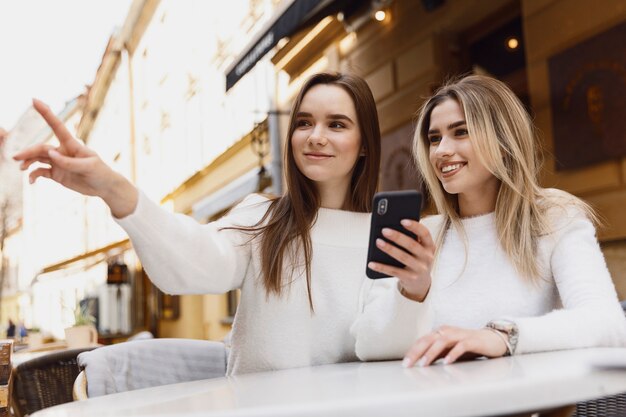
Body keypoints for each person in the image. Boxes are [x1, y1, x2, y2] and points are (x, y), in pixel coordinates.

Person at [14, 72, 395, 375]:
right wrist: (116, 191)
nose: (315, 137)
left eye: (337, 125)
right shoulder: (261, 220)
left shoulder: (388, 238)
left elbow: (393, 347)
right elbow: (193, 262)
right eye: (304, 122)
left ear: (364, 143)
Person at [352, 74, 626, 367]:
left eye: (461, 132)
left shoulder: (553, 218)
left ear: (503, 140)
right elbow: (368, 348)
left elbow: (608, 324)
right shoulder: (422, 236)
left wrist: (503, 336)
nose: (442, 150)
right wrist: (412, 292)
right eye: (434, 138)